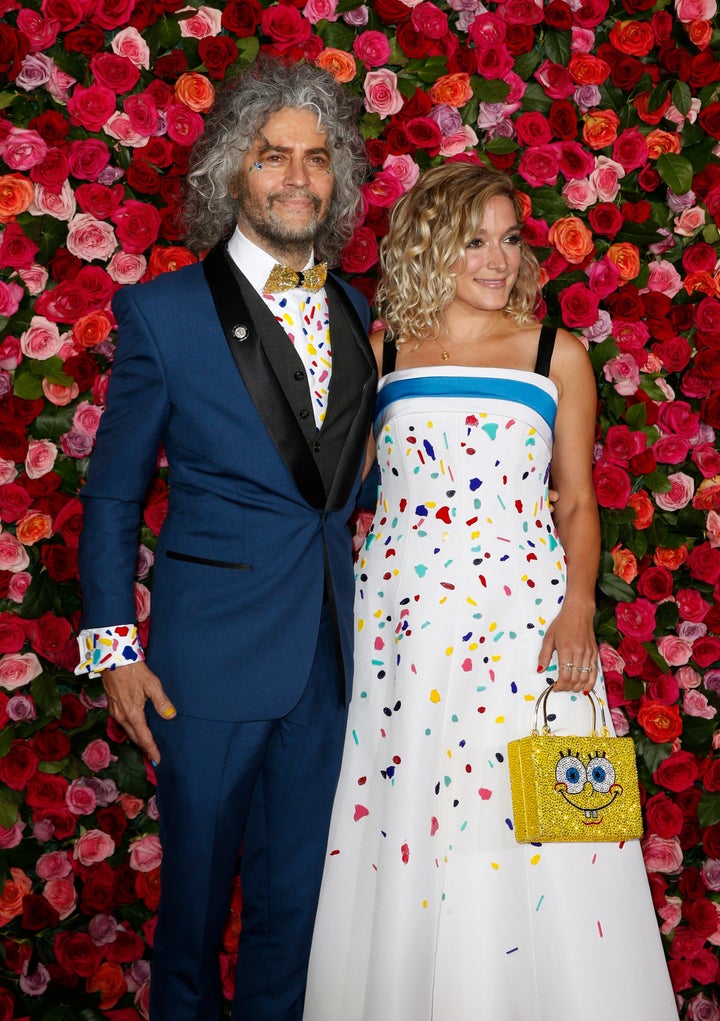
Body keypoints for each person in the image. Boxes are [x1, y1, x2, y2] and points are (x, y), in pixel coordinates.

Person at [303, 162, 678, 1021]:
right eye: (475, 239)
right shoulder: (384, 345)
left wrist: (578, 606)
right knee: (404, 816)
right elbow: (340, 487)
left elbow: (578, 498)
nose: (498, 258)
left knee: (546, 827)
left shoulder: (558, 354)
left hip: (528, 626)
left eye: (510, 238)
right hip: (400, 628)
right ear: (432, 242)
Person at [76, 57, 377, 1021]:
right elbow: (115, 496)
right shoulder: (161, 313)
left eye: (317, 158)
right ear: (232, 174)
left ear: (338, 178)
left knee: (296, 909)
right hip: (203, 666)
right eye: (273, 156)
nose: (298, 176)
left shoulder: (357, 310)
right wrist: (113, 650)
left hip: (329, 659)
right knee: (195, 915)